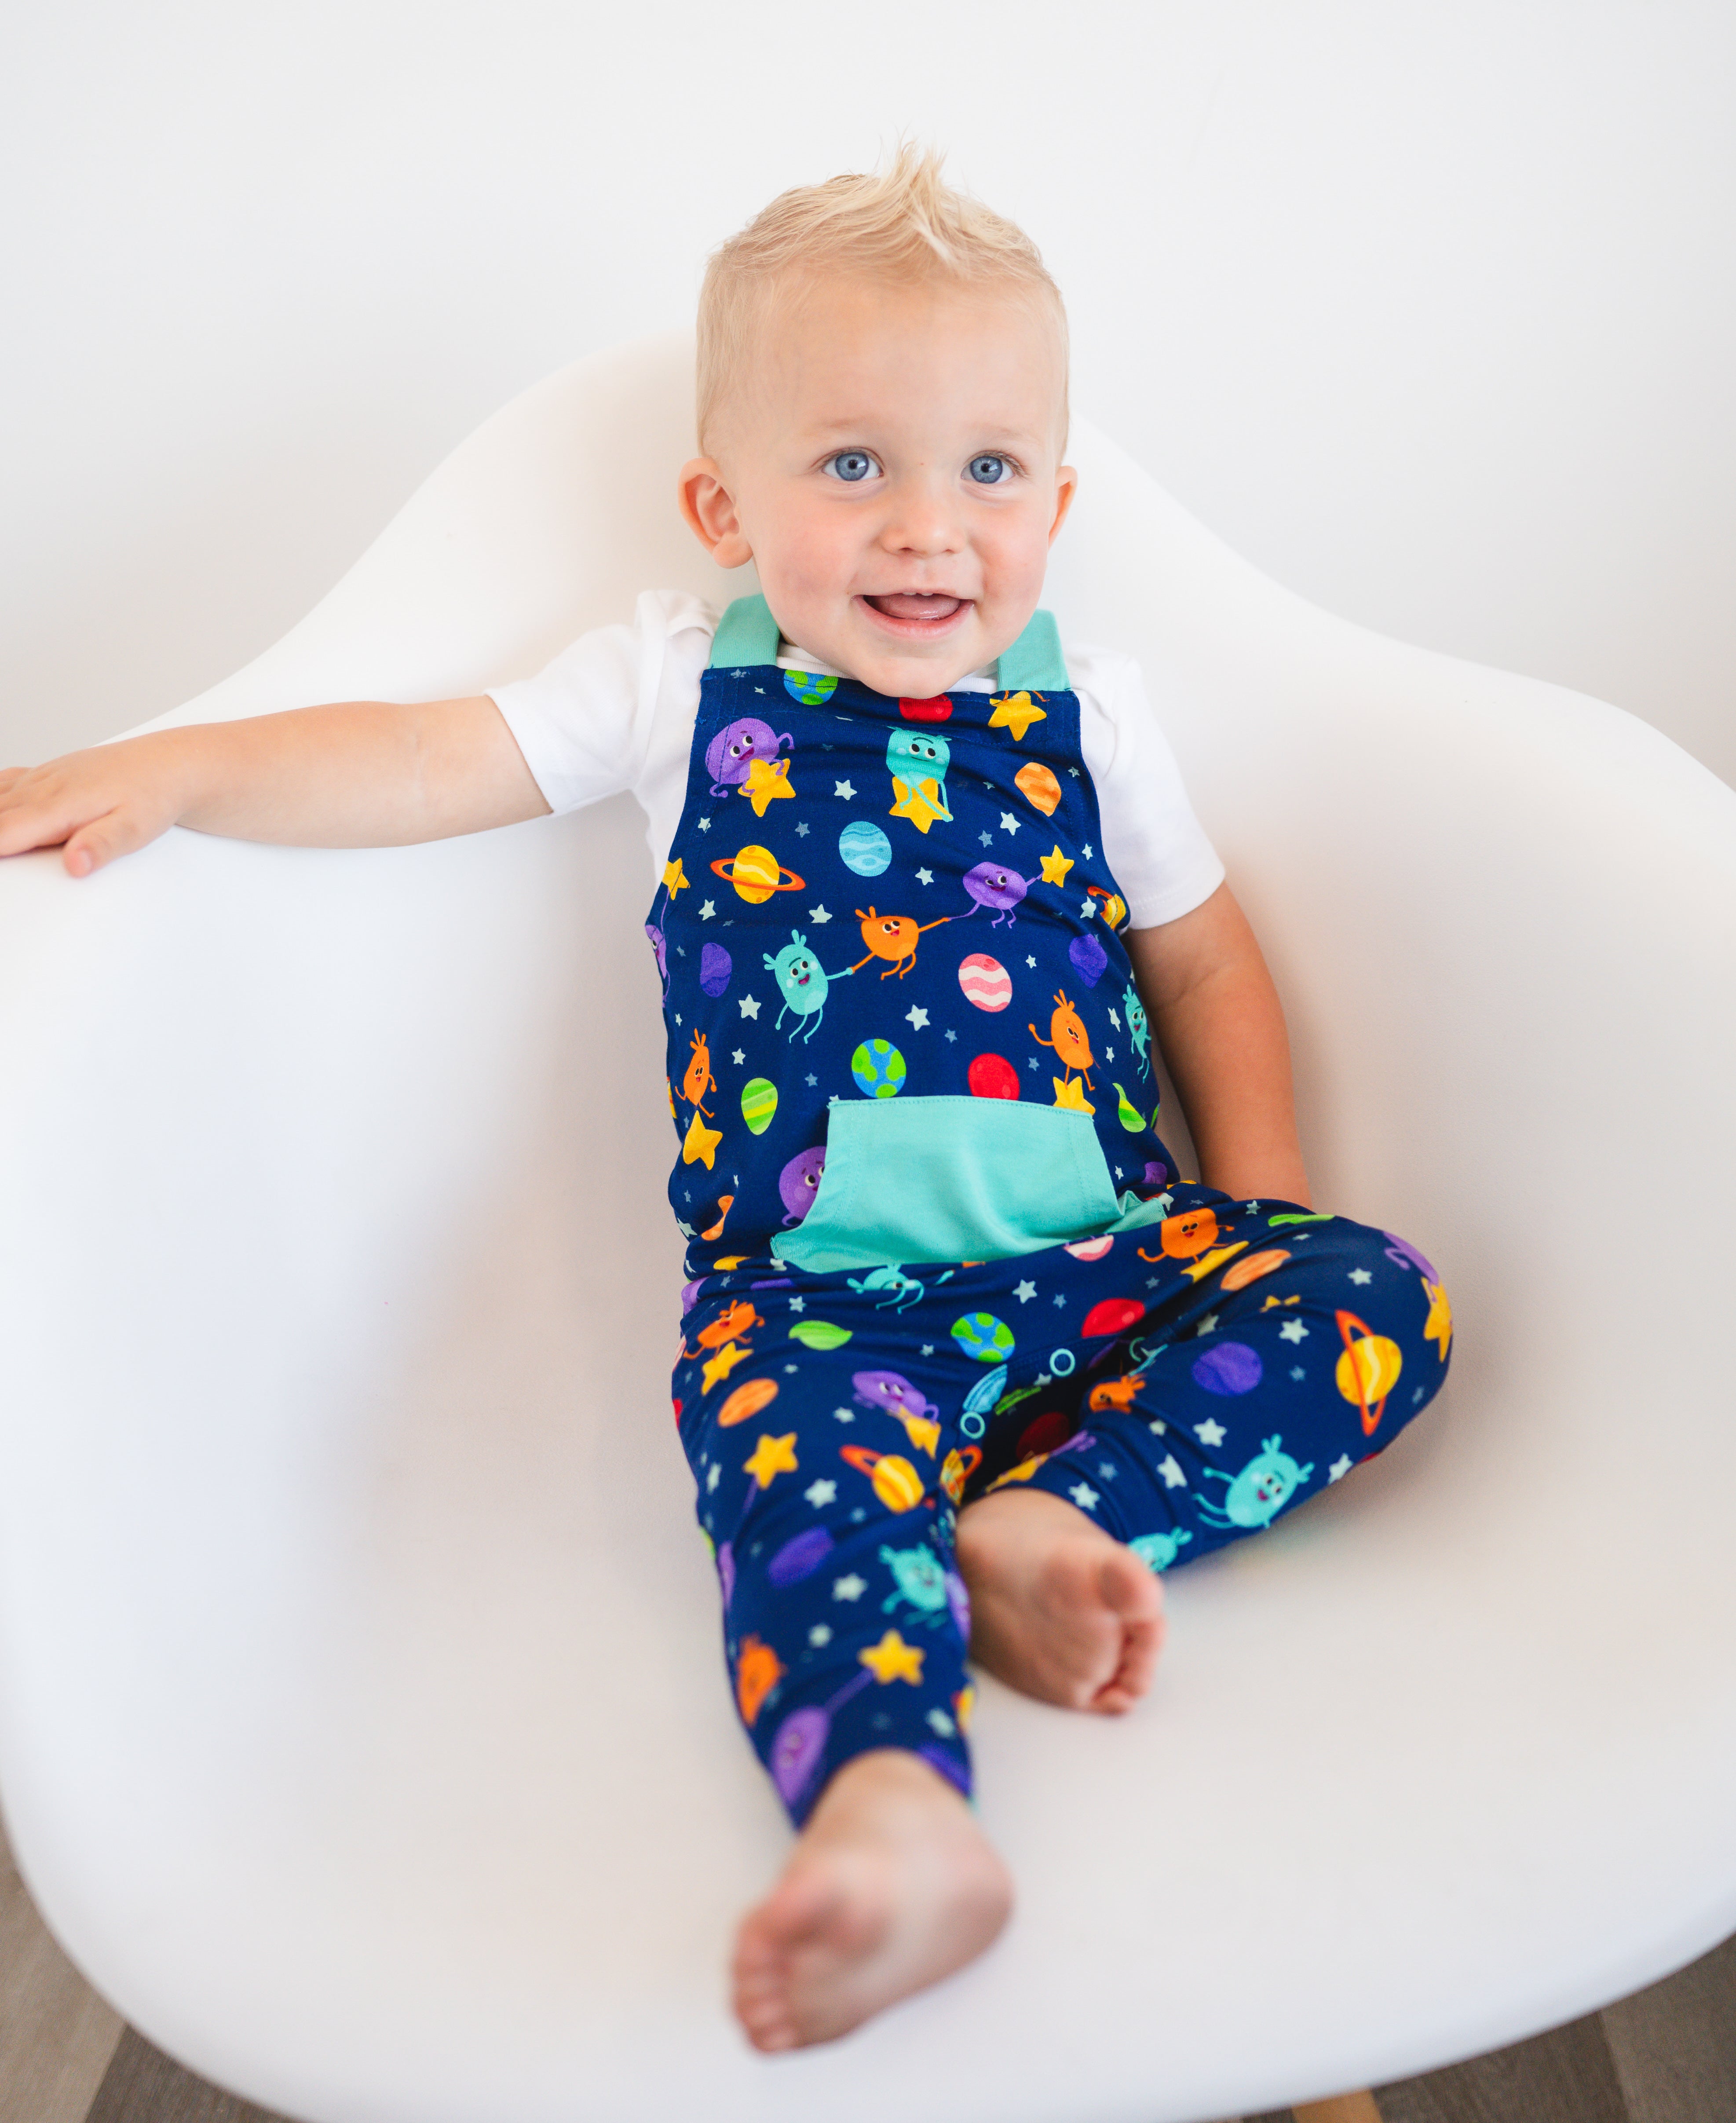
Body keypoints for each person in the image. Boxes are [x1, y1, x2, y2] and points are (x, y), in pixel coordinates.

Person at [0, 147, 1451, 2055]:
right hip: (820, 1305)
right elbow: (431, 753)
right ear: (722, 503)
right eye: (854, 463)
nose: (928, 526)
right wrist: (177, 763)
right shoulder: (677, 690)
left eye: (990, 469)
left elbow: (1203, 964)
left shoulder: (1094, 711)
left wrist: (1253, 1213)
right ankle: (894, 1808)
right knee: (799, 1505)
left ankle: (1053, 1521)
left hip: (1103, 1267)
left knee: (1375, 1290)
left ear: (1058, 502)